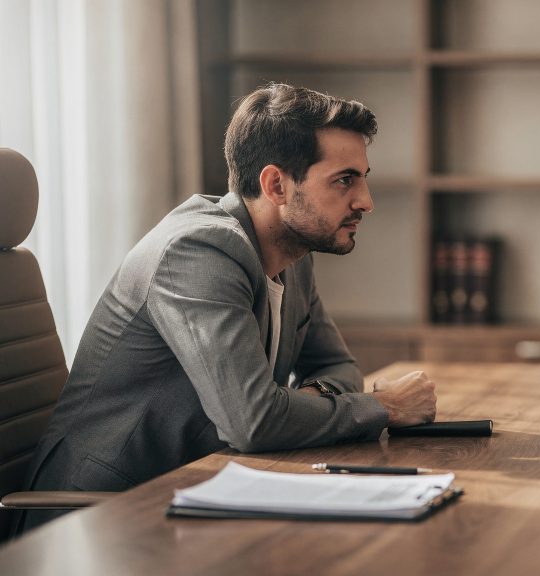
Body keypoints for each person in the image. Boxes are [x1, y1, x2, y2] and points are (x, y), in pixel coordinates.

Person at [20, 83, 437, 531]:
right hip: (102, 518)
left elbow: (338, 366)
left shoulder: (294, 258)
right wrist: (383, 408)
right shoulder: (197, 251)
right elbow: (254, 421)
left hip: (200, 496)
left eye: (363, 177)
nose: (365, 201)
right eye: (344, 180)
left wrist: (306, 401)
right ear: (276, 184)